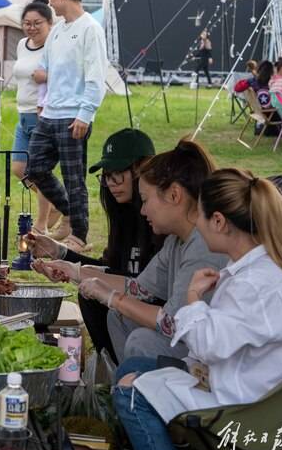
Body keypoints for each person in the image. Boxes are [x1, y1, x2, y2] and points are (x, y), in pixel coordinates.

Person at [113, 169, 282, 450]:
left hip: (247, 411)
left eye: (200, 215)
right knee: (132, 369)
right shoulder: (258, 270)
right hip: (251, 388)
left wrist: (193, 298)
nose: (196, 223)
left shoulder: (252, 284)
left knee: (130, 394)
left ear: (219, 221)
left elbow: (209, 346)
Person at [34, 140, 228, 362]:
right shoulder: (176, 241)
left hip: (213, 358)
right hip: (193, 344)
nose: (143, 210)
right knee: (119, 318)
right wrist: (73, 270)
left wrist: (114, 298)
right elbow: (139, 288)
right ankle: (125, 378)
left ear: (174, 195)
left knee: (141, 340)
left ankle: (134, 381)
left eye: (145, 200)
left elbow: (173, 323)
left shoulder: (203, 246)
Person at [28, 128, 163, 363]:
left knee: (94, 290)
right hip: (128, 307)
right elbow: (110, 269)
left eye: (118, 174)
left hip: (155, 316)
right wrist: (60, 253)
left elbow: (148, 289)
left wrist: (78, 271)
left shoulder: (159, 223)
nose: (111, 183)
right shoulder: (123, 215)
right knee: (90, 291)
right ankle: (109, 364)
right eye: (106, 176)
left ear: (142, 170)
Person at [26, 0, 108, 251]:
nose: (49, 2)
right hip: (49, 114)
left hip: (74, 116)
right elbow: (47, 67)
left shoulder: (90, 29)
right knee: (35, 168)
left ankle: (79, 237)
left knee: (74, 178)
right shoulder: (58, 31)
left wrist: (85, 114)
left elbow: (97, 77)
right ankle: (70, 213)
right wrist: (43, 99)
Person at [10, 0, 61, 237]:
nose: (31, 28)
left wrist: (46, 77)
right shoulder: (22, 45)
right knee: (19, 168)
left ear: (49, 23)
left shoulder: (55, 46)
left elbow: (67, 76)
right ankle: (56, 202)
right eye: (27, 23)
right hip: (23, 116)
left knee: (40, 172)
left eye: (37, 23)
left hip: (43, 116)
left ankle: (41, 225)